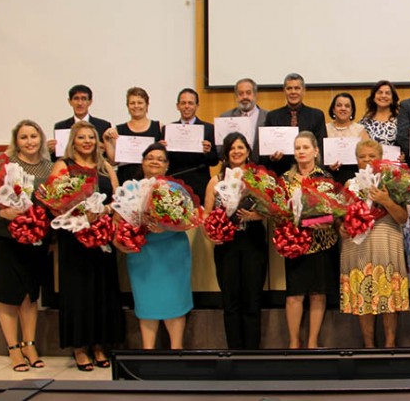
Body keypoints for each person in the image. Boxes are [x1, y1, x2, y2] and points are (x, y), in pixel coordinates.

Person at [52, 121, 124, 371]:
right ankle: (79, 347)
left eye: (91, 138)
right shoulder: (63, 166)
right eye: (81, 137)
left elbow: (118, 199)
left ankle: (99, 345)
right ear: (73, 141)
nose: (87, 142)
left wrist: (104, 211)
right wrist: (81, 215)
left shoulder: (105, 166)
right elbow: (55, 202)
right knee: (78, 292)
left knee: (101, 291)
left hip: (102, 239)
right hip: (74, 240)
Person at [0, 120, 54, 372]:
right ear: (16, 141)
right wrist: (2, 213)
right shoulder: (4, 166)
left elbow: (53, 205)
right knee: (7, 294)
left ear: (40, 138)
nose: (29, 141)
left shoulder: (49, 168)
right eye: (24, 137)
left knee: (29, 294)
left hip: (35, 239)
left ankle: (30, 344)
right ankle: (13, 348)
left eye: (33, 136)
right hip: (4, 238)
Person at [113, 143, 193, 350]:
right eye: (150, 157)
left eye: (160, 158)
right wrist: (119, 242)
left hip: (173, 252)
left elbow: (190, 219)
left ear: (167, 166)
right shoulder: (131, 189)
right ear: (142, 162)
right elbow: (117, 219)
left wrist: (167, 226)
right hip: (143, 253)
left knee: (175, 302)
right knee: (146, 302)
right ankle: (148, 354)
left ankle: (177, 352)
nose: (155, 161)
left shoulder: (176, 189)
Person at [339, 140, 409, 348]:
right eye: (362, 156)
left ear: (380, 158)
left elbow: (403, 217)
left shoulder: (392, 182)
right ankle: (368, 346)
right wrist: (341, 228)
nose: (367, 160)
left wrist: (386, 200)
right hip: (357, 245)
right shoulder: (349, 185)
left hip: (385, 241)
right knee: (363, 295)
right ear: (356, 159)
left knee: (387, 295)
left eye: (372, 156)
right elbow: (341, 217)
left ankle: (390, 345)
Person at [204, 132, 267, 349]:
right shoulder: (216, 181)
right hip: (227, 245)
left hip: (253, 242)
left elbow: (272, 211)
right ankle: (234, 352)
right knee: (230, 301)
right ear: (226, 153)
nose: (237, 151)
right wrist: (212, 232)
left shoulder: (257, 179)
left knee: (252, 300)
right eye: (232, 148)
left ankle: (252, 353)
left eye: (241, 147)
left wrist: (257, 216)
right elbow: (206, 216)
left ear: (248, 151)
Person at [282, 131, 338, 348]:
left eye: (306, 147)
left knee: (317, 294)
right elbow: (278, 211)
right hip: (295, 244)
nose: (301, 151)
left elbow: (334, 212)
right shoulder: (285, 179)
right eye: (298, 148)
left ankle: (313, 342)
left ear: (316, 151)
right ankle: (294, 342)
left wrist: (323, 220)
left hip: (322, 243)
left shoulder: (325, 178)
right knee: (294, 295)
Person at [264, 73, 328, 175]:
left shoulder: (316, 115)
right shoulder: (272, 116)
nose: (293, 92)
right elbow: (265, 151)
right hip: (280, 172)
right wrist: (272, 157)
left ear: (303, 90)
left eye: (297, 88)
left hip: (310, 174)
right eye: (289, 88)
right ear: (284, 91)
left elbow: (320, 147)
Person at [164, 88, 219, 202]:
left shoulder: (209, 129)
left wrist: (207, 152)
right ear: (177, 106)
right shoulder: (168, 129)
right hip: (174, 182)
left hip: (200, 183)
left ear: (197, 106)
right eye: (183, 103)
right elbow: (164, 160)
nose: (187, 106)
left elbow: (214, 161)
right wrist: (162, 149)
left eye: (190, 103)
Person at [103, 87, 162, 184]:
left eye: (140, 102)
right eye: (132, 103)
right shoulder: (119, 129)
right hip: (126, 180)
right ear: (127, 106)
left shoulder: (158, 127)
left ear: (147, 105)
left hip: (152, 180)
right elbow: (114, 161)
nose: (136, 106)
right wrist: (106, 139)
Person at [48, 84, 111, 161]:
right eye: (76, 99)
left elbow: (109, 158)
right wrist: (51, 151)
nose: (80, 103)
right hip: (69, 169)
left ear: (90, 102)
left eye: (84, 99)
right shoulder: (60, 126)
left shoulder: (103, 125)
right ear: (70, 101)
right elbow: (57, 159)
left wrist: (104, 148)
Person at [220, 78, 269, 163]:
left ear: (255, 94)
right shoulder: (225, 117)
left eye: (248, 93)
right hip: (234, 170)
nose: (245, 97)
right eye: (241, 93)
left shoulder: (268, 116)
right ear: (236, 96)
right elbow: (220, 150)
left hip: (262, 169)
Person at [325, 92, 369, 184]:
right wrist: (329, 167)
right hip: (329, 176)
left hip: (354, 177)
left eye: (347, 106)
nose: (343, 108)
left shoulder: (360, 130)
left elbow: (366, 156)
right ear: (333, 109)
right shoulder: (325, 129)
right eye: (339, 105)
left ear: (352, 110)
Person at [360, 80, 400, 148]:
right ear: (373, 97)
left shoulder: (401, 120)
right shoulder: (365, 122)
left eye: (387, 93)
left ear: (392, 99)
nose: (383, 96)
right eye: (380, 92)